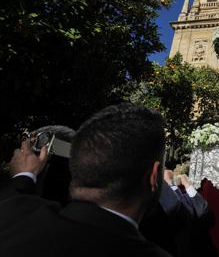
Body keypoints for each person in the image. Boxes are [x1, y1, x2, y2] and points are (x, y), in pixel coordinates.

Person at [0, 103, 172, 257]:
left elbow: (15, 201)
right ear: (152, 176)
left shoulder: (14, 218)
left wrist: (24, 176)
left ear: (78, 164)